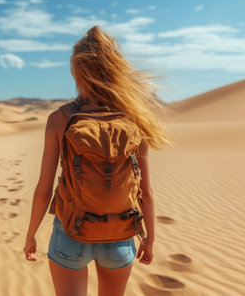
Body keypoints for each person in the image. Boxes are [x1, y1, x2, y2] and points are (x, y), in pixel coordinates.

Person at [23, 25, 171, 296]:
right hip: (120, 234)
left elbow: (43, 191)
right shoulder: (135, 119)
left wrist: (30, 234)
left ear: (77, 71)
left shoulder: (60, 119)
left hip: (71, 235)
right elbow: (145, 192)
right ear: (115, 68)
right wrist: (149, 239)